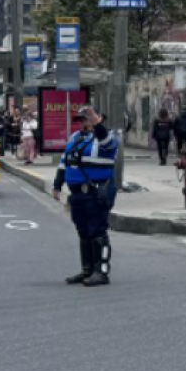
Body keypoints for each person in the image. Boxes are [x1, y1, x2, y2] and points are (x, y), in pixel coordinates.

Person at [52, 106, 120, 287]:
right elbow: (64, 163)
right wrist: (57, 185)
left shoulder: (107, 136)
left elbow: (109, 145)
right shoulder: (75, 137)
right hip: (78, 194)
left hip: (96, 192)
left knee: (97, 231)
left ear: (98, 118)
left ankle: (102, 272)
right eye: (81, 120)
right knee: (83, 232)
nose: (84, 122)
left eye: (87, 118)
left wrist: (98, 124)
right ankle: (87, 269)